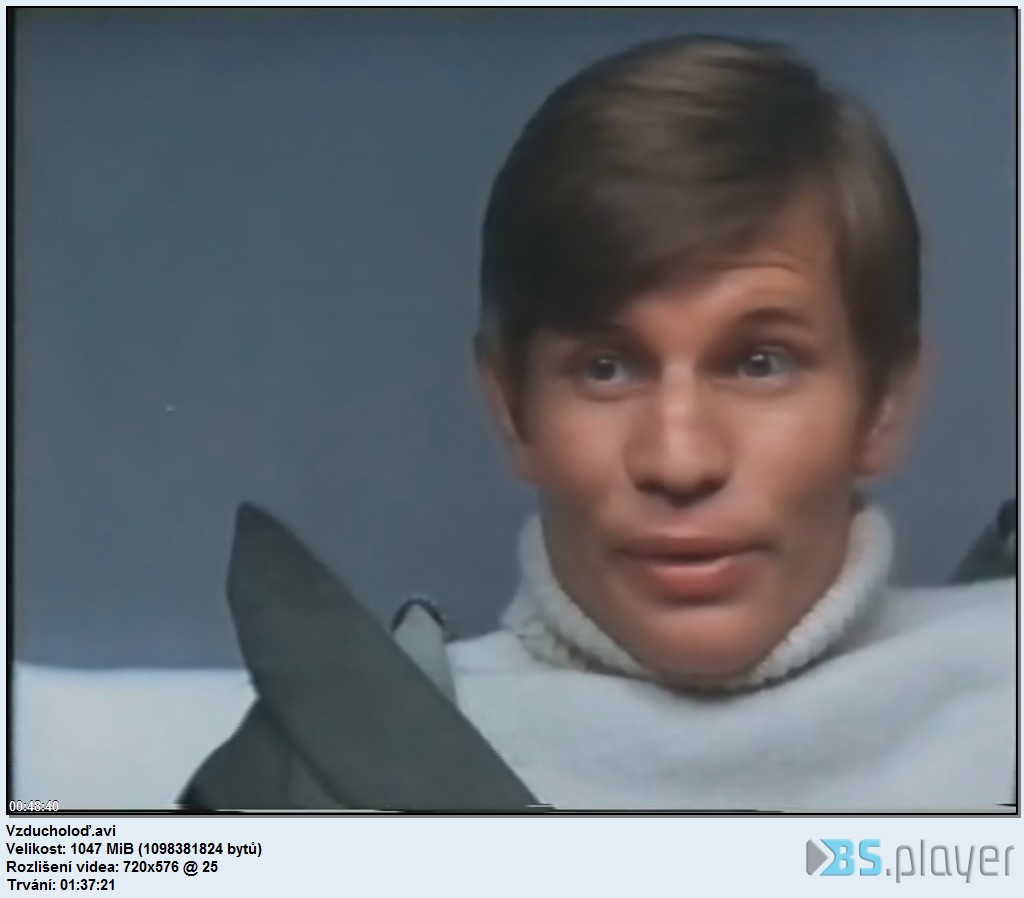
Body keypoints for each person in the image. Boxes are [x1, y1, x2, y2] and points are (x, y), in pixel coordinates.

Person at [13, 34, 1015, 811]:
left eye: (760, 363)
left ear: (884, 402)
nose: (679, 459)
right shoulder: (317, 783)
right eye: (606, 367)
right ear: (512, 407)